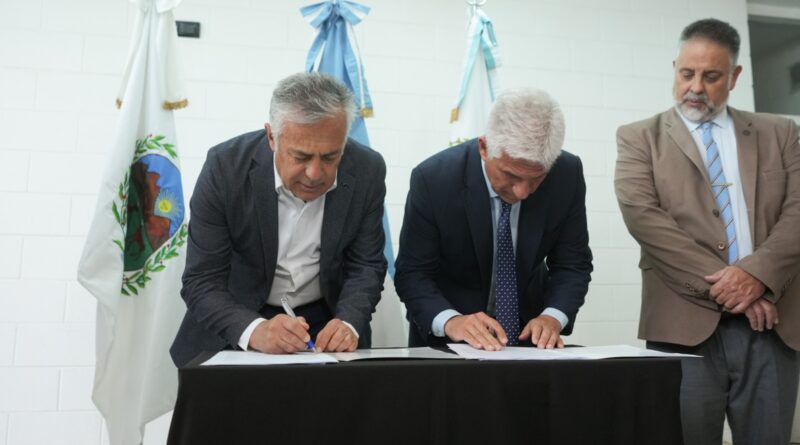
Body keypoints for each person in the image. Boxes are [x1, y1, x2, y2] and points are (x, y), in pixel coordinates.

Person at [615, 18, 800, 444]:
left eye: (711, 76)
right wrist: (737, 289)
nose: (695, 87)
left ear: (734, 76)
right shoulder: (639, 138)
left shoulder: (780, 133)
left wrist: (757, 277)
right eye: (687, 73)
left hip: (772, 325)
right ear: (675, 68)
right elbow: (645, 221)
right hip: (683, 328)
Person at [170, 72, 388, 367]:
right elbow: (201, 280)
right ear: (271, 136)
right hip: (234, 322)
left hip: (325, 325)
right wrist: (255, 330)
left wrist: (348, 322)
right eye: (301, 157)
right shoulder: (225, 167)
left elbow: (366, 266)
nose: (315, 174)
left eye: (330, 157)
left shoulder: (367, 170)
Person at [394, 89, 593, 350]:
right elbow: (412, 273)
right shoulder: (434, 179)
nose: (522, 192)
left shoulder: (567, 174)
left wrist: (553, 316)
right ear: (484, 147)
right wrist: (451, 321)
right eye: (511, 175)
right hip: (449, 341)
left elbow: (573, 263)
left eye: (536, 178)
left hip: (529, 341)